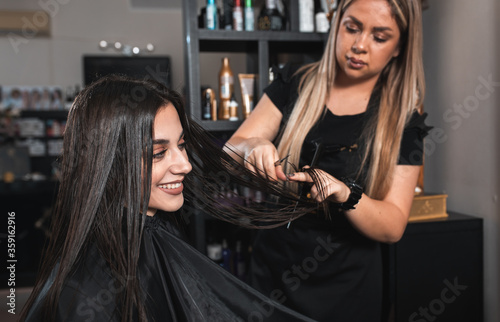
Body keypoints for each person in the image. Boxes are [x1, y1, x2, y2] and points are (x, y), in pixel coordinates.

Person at [19, 75, 319, 321]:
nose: (185, 165)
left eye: (182, 145)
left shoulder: (156, 231)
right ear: (108, 162)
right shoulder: (85, 295)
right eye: (159, 153)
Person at [224, 0, 430, 320]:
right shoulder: (295, 82)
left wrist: (346, 194)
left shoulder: (405, 122)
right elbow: (229, 151)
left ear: (399, 47)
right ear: (336, 24)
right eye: (352, 28)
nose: (359, 45)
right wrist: (251, 145)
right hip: (272, 276)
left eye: (379, 37)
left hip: (348, 288)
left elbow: (392, 227)